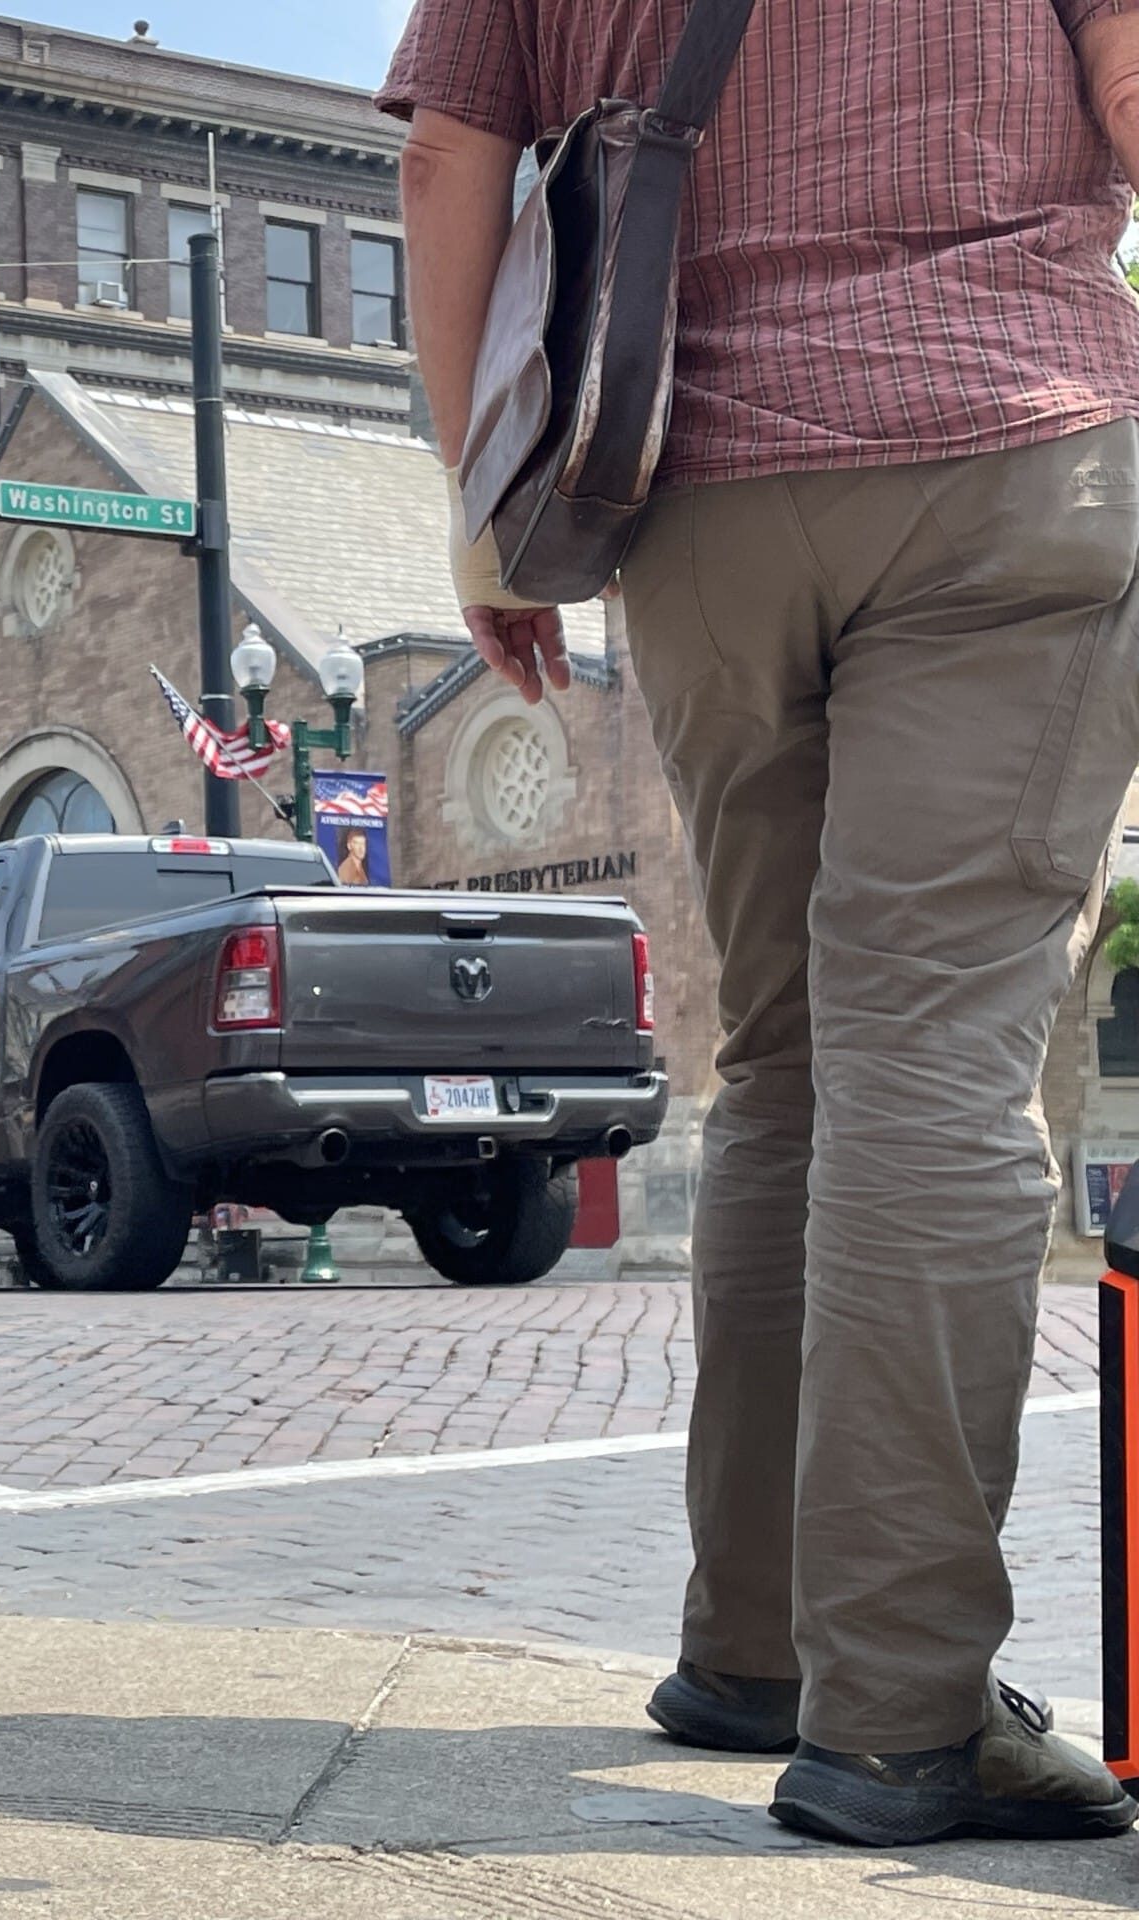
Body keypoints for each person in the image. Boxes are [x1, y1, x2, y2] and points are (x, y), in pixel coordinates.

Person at [385, 0, 1139, 1848]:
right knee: (940, 1052)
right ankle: (902, 1717)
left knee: (792, 1060)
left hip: (690, 481)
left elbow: (442, 162)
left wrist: (485, 515)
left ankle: (759, 1649)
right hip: (1010, 448)